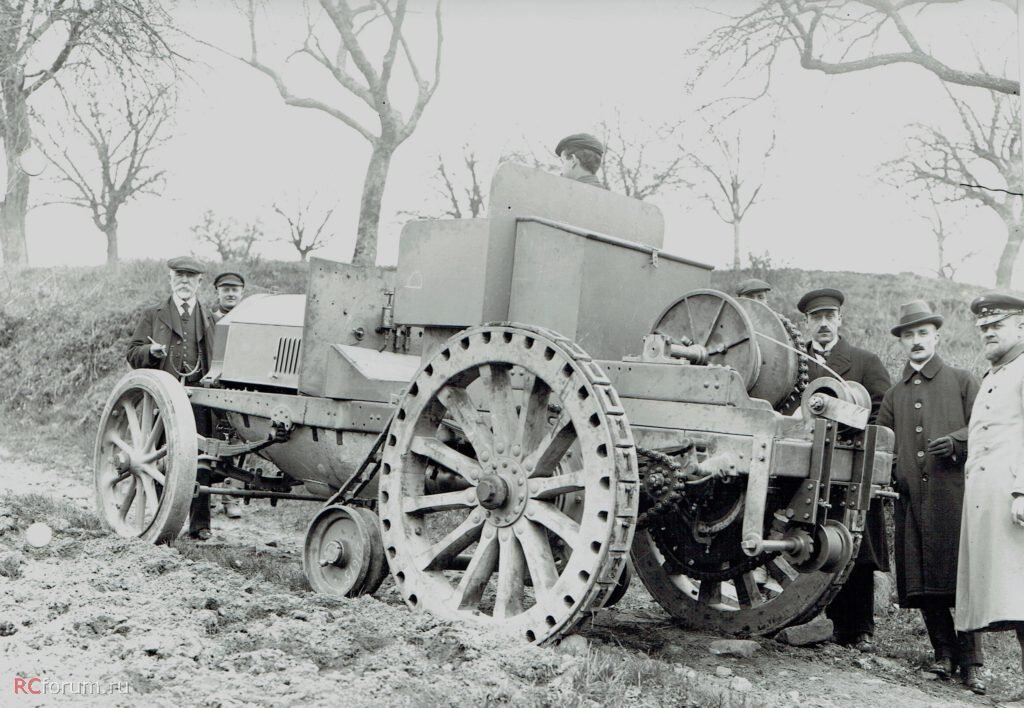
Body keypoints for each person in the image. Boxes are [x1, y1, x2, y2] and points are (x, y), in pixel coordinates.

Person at [876, 300, 984, 693]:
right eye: (909, 335)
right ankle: (943, 653)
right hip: (911, 501)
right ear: (902, 342)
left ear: (936, 336)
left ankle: (972, 662)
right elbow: (882, 445)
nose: (916, 341)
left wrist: (957, 442)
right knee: (921, 580)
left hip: (953, 500)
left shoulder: (961, 380)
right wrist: (894, 472)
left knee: (962, 581)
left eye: (923, 333)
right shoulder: (893, 395)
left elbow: (985, 429)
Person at [797, 287, 891, 652]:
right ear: (806, 323)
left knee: (858, 547)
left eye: (829, 317)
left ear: (840, 320)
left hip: (851, 466)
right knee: (815, 540)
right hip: (805, 468)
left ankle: (861, 627)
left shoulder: (864, 362)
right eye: (816, 318)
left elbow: (882, 408)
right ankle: (826, 624)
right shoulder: (796, 363)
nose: (823, 324)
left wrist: (853, 432)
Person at [956, 291, 1024, 703]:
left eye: (996, 325)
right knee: (1015, 595)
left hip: (1013, 497)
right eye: (983, 327)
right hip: (991, 497)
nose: (987, 332)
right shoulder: (997, 373)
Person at [126, 256, 217, 541]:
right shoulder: (154, 315)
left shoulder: (210, 317)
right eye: (180, 275)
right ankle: (157, 517)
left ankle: (200, 525)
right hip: (163, 398)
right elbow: (132, 353)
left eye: (191, 276)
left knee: (200, 460)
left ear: (200, 282)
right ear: (170, 278)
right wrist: (149, 353)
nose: (185, 281)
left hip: (198, 397)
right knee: (160, 457)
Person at [211, 271, 246, 518]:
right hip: (214, 386)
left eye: (235, 289)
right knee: (211, 442)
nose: (230, 293)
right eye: (226, 289)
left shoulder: (249, 320)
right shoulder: (209, 320)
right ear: (218, 293)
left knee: (239, 443)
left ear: (242, 292)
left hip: (239, 388)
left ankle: (231, 499)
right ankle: (209, 496)